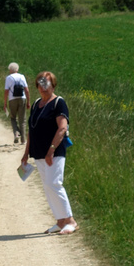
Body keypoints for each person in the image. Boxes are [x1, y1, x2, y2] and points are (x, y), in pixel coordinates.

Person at [21, 71, 77, 235]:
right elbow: (31, 130)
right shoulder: (36, 103)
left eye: (48, 84)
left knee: (54, 183)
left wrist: (51, 150)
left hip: (54, 152)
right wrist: (26, 153)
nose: (44, 87)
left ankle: (70, 221)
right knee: (47, 186)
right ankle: (60, 221)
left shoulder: (59, 103)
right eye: (41, 83)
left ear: (53, 85)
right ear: (37, 86)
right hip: (38, 152)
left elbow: (62, 128)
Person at [4, 62, 30, 144]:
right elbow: (26, 90)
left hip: (12, 100)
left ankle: (16, 133)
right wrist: (28, 101)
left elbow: (6, 91)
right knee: (22, 120)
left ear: (10, 70)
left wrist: (5, 103)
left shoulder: (9, 78)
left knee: (13, 118)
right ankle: (23, 140)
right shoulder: (22, 77)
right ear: (17, 69)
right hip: (22, 99)